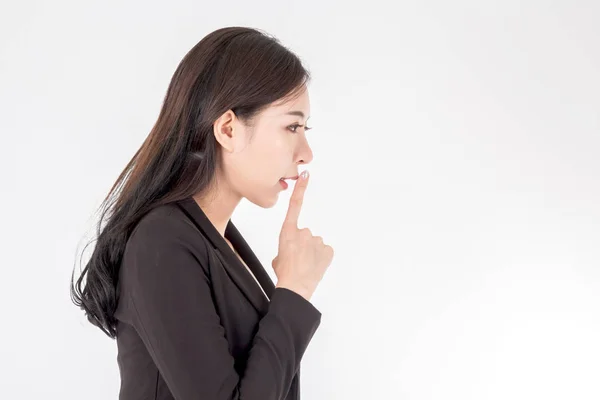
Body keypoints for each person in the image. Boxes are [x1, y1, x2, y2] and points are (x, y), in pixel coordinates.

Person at [70, 26, 334, 400]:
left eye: (304, 128)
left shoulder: (213, 239)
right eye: (292, 126)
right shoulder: (163, 243)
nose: (306, 152)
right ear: (228, 129)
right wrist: (294, 290)